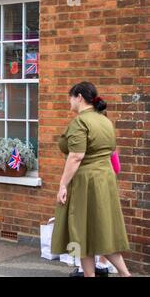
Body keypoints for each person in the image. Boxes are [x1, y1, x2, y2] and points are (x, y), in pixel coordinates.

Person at [51, 81, 131, 277]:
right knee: (102, 231)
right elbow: (111, 151)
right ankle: (123, 274)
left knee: (81, 230)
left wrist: (63, 185)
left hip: (86, 182)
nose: (69, 102)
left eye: (70, 97)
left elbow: (76, 156)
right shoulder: (105, 121)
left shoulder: (81, 122)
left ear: (79, 97)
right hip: (105, 180)